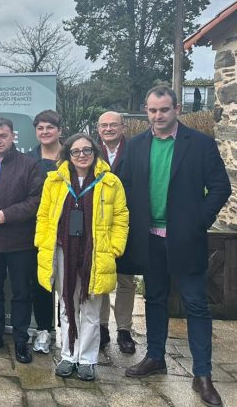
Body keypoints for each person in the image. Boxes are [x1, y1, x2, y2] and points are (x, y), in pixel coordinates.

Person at [122, 86, 231, 407]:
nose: (158, 116)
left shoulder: (200, 144)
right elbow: (124, 185)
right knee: (154, 299)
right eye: (153, 110)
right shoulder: (136, 145)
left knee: (196, 305)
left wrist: (198, 220)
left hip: (186, 239)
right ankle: (155, 357)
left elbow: (221, 187)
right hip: (148, 239)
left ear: (177, 109)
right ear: (146, 111)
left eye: (164, 110)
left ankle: (203, 375)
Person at [35, 133, 129, 382]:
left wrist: (115, 248)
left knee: (90, 307)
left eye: (87, 150)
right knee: (66, 304)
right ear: (68, 155)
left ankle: (87, 360)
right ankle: (68, 356)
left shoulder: (109, 182)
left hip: (94, 254)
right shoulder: (54, 181)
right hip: (63, 251)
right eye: (76, 151)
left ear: (95, 152)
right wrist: (42, 242)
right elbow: (43, 215)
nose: (82, 155)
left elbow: (121, 217)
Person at [0, 117, 43, 364]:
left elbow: (36, 201)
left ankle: (21, 340)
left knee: (22, 291)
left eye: (3, 135)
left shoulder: (29, 164)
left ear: (13, 136)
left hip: (20, 241)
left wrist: (6, 215)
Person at [95, 111, 137, 354]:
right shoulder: (89, 151)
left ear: (123, 127)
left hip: (125, 223)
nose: (108, 129)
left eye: (113, 125)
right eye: (104, 125)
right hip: (98, 225)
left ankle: (124, 329)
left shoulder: (135, 150)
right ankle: (101, 327)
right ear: (98, 128)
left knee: (125, 280)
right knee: (100, 278)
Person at [26, 109, 62, 355]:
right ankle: (44, 330)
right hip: (37, 229)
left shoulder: (73, 156)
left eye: (50, 127)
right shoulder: (29, 159)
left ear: (59, 130)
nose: (45, 132)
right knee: (40, 283)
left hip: (69, 229)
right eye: (40, 128)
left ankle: (71, 331)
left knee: (69, 284)